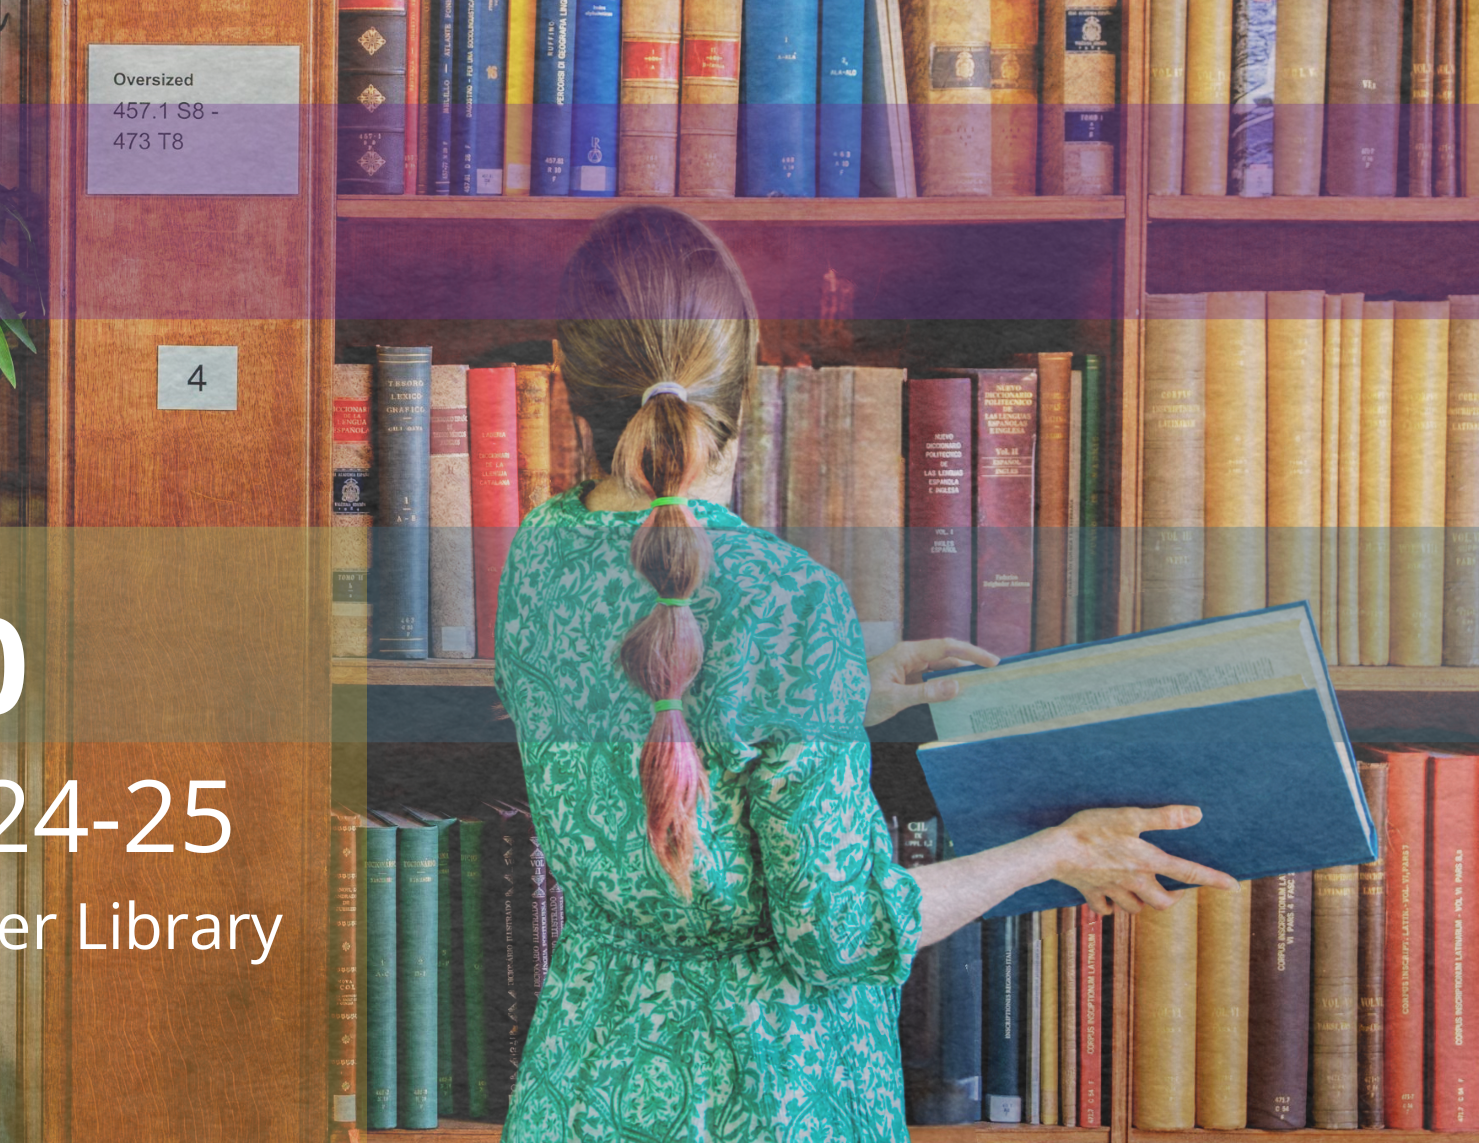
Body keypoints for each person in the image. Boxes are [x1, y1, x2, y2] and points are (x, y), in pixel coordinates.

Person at [491, 205, 1232, 1141]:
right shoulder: (791, 601)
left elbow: (661, 721)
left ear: (565, 370)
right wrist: (1056, 852)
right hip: (765, 1100)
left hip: (581, 1087)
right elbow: (838, 934)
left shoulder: (539, 552)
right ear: (747, 381)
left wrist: (838, 699)